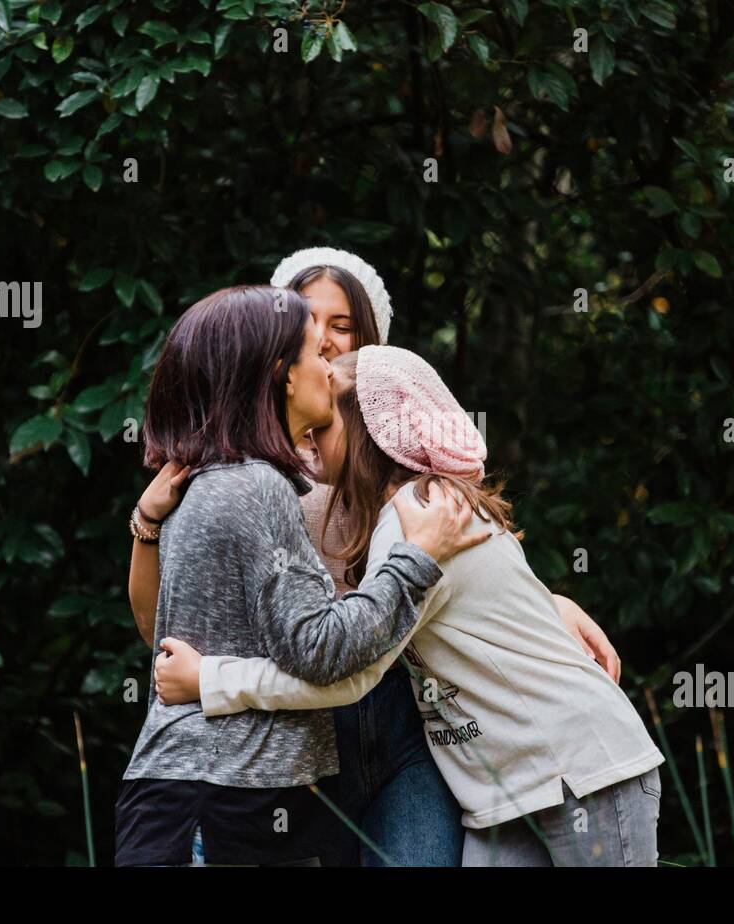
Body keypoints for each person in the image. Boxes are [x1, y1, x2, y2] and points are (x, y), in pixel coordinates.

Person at [129, 248, 621, 867]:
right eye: (310, 330)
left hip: (396, 714)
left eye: (342, 327)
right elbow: (169, 635)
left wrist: (551, 603)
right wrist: (146, 523)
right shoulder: (255, 477)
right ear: (274, 362)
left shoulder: (405, 475)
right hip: (291, 724)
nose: (328, 345)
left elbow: (472, 577)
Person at [114, 286, 487, 866]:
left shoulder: (224, 479)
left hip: (214, 793)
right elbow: (316, 647)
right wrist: (416, 559)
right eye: (316, 354)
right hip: (217, 797)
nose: (330, 369)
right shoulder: (253, 487)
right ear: (281, 375)